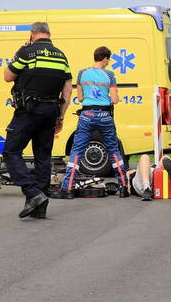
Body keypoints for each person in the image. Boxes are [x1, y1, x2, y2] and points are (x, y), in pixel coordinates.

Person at [3, 22, 72, 220]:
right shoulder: (61, 56)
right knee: (43, 156)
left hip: (29, 110)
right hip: (51, 111)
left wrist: (22, 48)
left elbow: (8, 76)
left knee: (11, 151)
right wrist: (60, 116)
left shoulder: (27, 51)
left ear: (32, 34)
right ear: (49, 34)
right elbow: (67, 90)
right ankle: (40, 207)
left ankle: (33, 193)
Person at [50, 46, 130, 199]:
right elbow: (115, 100)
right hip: (105, 116)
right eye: (109, 59)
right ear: (105, 58)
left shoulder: (82, 73)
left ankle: (67, 188)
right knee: (114, 150)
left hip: (86, 115)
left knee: (77, 151)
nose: (109, 62)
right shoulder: (109, 75)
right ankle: (124, 187)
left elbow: (80, 98)